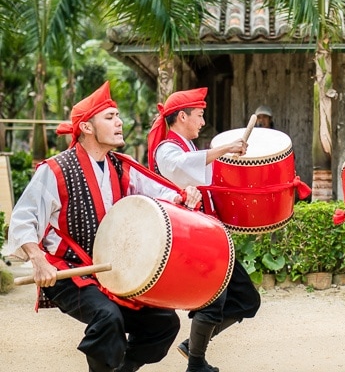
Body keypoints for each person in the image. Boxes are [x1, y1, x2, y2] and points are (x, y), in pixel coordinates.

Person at [6, 81, 204, 372]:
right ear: (87, 127)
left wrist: (184, 196)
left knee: (164, 323)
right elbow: (24, 219)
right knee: (108, 317)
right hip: (67, 272)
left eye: (118, 116)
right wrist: (38, 260)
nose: (119, 122)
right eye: (110, 117)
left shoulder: (121, 166)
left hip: (112, 273)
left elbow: (160, 193)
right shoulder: (56, 169)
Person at [147, 87, 261, 372]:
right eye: (199, 115)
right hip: (191, 238)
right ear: (182, 116)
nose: (201, 122)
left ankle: (192, 348)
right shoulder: (167, 149)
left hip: (212, 235)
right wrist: (224, 148)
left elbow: (213, 177)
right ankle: (196, 362)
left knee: (247, 300)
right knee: (214, 300)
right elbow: (179, 168)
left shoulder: (192, 149)